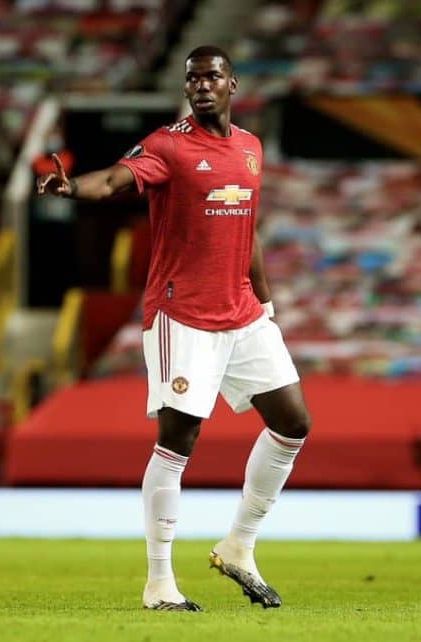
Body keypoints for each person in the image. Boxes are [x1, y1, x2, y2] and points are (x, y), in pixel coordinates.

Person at [37, 45, 311, 612]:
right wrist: (73, 188)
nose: (202, 85)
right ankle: (159, 583)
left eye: (212, 76)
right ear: (186, 87)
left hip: (243, 313)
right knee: (178, 443)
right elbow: (114, 180)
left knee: (292, 423)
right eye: (193, 78)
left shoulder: (250, 149)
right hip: (182, 315)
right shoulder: (168, 145)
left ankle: (239, 545)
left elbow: (247, 230)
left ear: (232, 83)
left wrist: (265, 302)